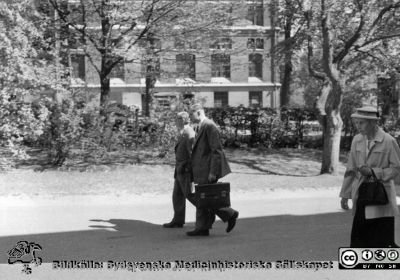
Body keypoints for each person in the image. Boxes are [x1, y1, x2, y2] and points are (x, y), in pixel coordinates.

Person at [340, 105, 400, 247]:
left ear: (373, 123)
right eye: (356, 123)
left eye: (362, 123)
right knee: (359, 237)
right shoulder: (357, 140)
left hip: (382, 194)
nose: (358, 126)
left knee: (383, 238)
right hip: (362, 193)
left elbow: (396, 168)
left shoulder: (389, 141)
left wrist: (374, 172)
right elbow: (351, 169)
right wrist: (345, 194)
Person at [186, 103, 239, 236]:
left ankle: (229, 214)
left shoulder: (209, 126)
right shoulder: (201, 126)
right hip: (202, 169)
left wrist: (212, 172)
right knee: (205, 199)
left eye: (191, 114)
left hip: (208, 170)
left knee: (205, 199)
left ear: (198, 112)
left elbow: (217, 151)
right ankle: (203, 228)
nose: (190, 118)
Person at [163, 112, 196, 228]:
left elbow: (193, 154)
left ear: (183, 119)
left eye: (177, 118)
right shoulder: (182, 132)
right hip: (179, 169)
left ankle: (224, 212)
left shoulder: (189, 133)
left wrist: (187, 168)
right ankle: (178, 220)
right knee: (177, 195)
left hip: (185, 170)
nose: (175, 121)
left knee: (191, 196)